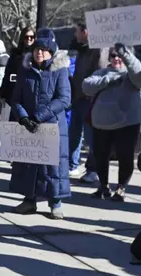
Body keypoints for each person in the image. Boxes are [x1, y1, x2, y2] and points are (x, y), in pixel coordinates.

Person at [10, 29, 71, 220]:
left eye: (44, 50)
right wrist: (24, 118)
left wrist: (38, 116)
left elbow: (64, 99)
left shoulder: (59, 71)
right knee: (29, 164)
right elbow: (16, 99)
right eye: (37, 49)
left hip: (52, 127)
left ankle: (55, 203)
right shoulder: (25, 71)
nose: (39, 53)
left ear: (51, 52)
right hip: (29, 126)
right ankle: (30, 200)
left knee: (52, 167)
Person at [83, 44, 141, 202]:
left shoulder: (132, 75)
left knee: (125, 157)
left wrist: (126, 54)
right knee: (101, 156)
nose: (117, 58)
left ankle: (121, 187)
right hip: (101, 123)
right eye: (113, 55)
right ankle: (103, 186)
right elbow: (86, 86)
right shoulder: (101, 73)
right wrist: (107, 79)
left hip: (127, 123)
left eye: (120, 56)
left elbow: (139, 76)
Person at [69, 22, 109, 182]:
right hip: (78, 97)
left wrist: (90, 94)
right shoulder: (82, 50)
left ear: (85, 31)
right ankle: (72, 165)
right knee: (74, 134)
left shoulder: (99, 49)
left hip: (90, 99)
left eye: (77, 31)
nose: (75, 35)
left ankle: (93, 170)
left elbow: (99, 73)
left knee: (92, 137)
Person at [0, 26, 35, 107]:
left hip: (31, 93)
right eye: (26, 37)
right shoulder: (15, 55)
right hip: (15, 91)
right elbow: (8, 73)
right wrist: (3, 94)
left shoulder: (38, 54)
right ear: (22, 38)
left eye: (31, 37)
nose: (29, 39)